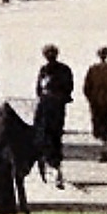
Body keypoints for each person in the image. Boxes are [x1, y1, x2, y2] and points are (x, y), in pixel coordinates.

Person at [0, 102, 35, 213]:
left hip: (5, 156)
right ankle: (20, 206)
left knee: (5, 181)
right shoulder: (14, 123)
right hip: (14, 155)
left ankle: (8, 206)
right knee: (17, 182)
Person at [33, 44, 73, 187]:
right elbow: (69, 88)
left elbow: (38, 89)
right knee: (55, 138)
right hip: (57, 109)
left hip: (46, 109)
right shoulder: (65, 70)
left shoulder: (44, 70)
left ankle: (48, 165)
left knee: (44, 137)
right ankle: (55, 168)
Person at [83, 47, 107, 160]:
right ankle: (103, 148)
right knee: (104, 124)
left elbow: (86, 87)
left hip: (96, 103)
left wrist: (90, 98)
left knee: (97, 124)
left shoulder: (93, 69)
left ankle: (101, 149)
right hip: (105, 103)